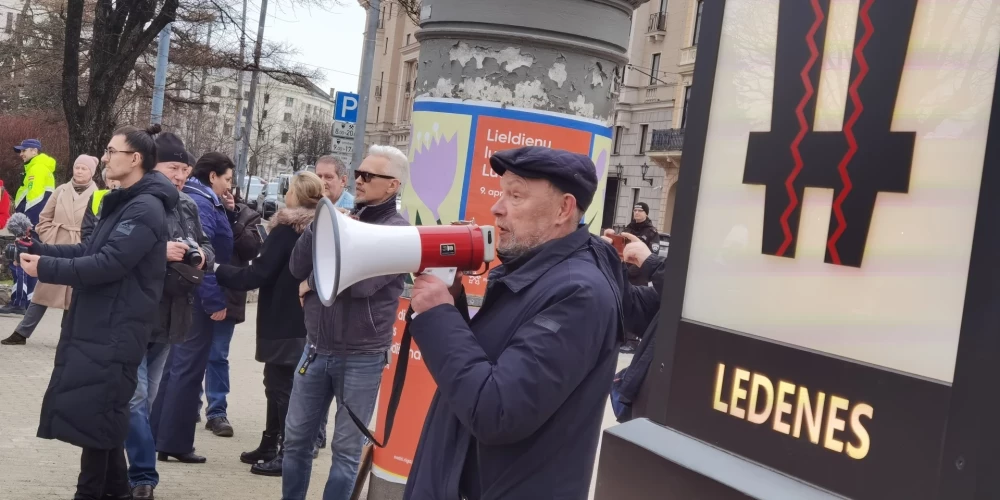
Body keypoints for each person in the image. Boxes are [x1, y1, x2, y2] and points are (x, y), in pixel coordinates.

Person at [403, 146, 624, 499]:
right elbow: (490, 364)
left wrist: (439, 317)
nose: (497, 207)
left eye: (516, 195)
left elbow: (497, 410)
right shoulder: (536, 274)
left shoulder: (578, 293)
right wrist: (453, 304)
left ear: (563, 209)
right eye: (502, 192)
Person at [21, 124, 178, 500]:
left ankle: (90, 493)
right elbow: (89, 250)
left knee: (101, 414)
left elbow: (108, 264)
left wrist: (43, 269)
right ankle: (117, 491)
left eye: (111, 151)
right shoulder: (125, 200)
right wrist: (41, 252)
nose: (105, 158)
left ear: (135, 159)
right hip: (103, 323)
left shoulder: (145, 207)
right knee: (101, 415)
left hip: (116, 327)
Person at [284, 145, 410, 500]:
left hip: (362, 357)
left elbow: (363, 286)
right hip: (316, 347)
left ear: (393, 185)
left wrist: (313, 281)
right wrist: (321, 226)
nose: (359, 180)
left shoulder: (397, 231)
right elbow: (295, 268)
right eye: (358, 173)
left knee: (345, 451)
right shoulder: (341, 216)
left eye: (369, 176)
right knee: (295, 441)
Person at [125, 132, 216, 500]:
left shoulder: (187, 205)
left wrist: (199, 253)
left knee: (143, 402)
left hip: (172, 316)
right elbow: (112, 250)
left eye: (185, 169)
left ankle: (123, 463)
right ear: (151, 165)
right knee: (134, 399)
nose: (180, 176)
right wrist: (160, 251)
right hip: (134, 314)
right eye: (173, 167)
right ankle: (143, 476)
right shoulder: (135, 201)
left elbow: (206, 243)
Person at [216, 172, 324, 477]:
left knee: (280, 387)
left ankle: (286, 453)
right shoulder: (319, 229)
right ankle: (269, 444)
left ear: (294, 195)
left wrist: (217, 270)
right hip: (303, 319)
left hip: (281, 317)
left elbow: (259, 273)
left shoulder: (287, 230)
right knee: (277, 383)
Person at [151, 152, 236, 463]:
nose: (230, 185)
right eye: (227, 179)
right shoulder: (200, 202)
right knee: (186, 370)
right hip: (199, 296)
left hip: (193, 293)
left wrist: (230, 211)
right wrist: (214, 300)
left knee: (178, 368)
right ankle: (174, 441)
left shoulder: (203, 199)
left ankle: (162, 435)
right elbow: (203, 258)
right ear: (212, 176)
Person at [1, 155, 98, 345]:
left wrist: (88, 242)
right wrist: (49, 237)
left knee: (73, 294)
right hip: (55, 244)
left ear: (92, 173)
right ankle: (21, 332)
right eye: (77, 167)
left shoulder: (98, 195)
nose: (79, 171)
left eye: (83, 169)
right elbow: (44, 218)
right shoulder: (61, 190)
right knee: (43, 289)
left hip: (80, 248)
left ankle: (66, 336)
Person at [603, 232, 667, 422]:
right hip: (643, 405)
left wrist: (653, 264)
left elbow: (687, 296)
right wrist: (613, 264)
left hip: (666, 408)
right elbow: (630, 304)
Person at [1, 138, 56, 315]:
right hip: (32, 223)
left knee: (23, 260)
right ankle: (23, 301)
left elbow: (35, 199)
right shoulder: (36, 167)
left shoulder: (37, 168)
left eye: (24, 150)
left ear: (35, 151)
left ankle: (22, 302)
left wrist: (24, 226)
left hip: (30, 223)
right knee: (24, 259)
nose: (21, 154)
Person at [81, 168, 121, 243]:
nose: (112, 180)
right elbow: (87, 228)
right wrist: (89, 245)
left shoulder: (132, 197)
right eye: (108, 178)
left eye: (115, 177)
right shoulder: (96, 196)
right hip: (94, 244)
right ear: (105, 182)